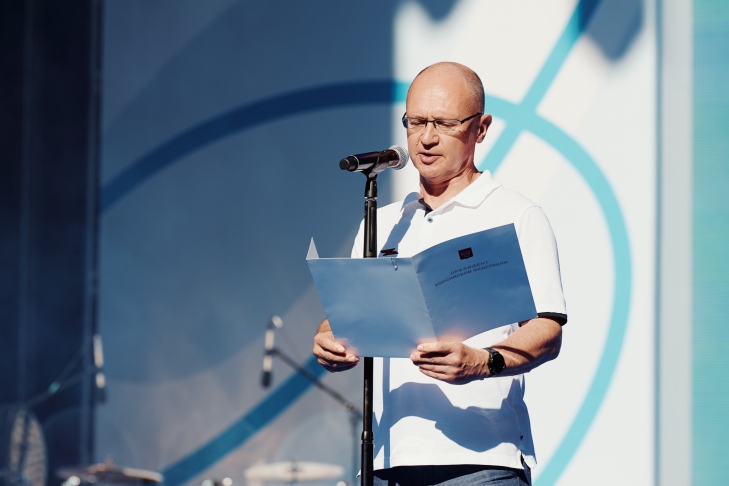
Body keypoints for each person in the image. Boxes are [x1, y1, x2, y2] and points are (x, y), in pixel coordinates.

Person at [312, 62, 567, 486]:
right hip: (386, 461)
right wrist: (329, 338)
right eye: (416, 122)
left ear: (480, 128)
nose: (426, 138)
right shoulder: (383, 221)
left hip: (482, 460)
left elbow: (547, 329)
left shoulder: (516, 214)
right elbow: (347, 316)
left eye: (445, 124)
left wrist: (483, 361)